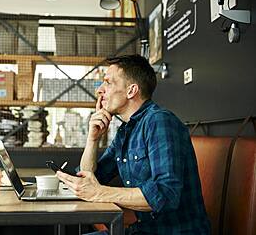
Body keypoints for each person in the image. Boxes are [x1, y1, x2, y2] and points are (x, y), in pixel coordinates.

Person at [56, 55, 210, 234]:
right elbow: (90, 177)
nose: (100, 90)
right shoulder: (126, 130)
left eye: (108, 82)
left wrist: (99, 192)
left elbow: (167, 194)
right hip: (143, 230)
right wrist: (93, 139)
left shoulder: (159, 121)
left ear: (131, 91)